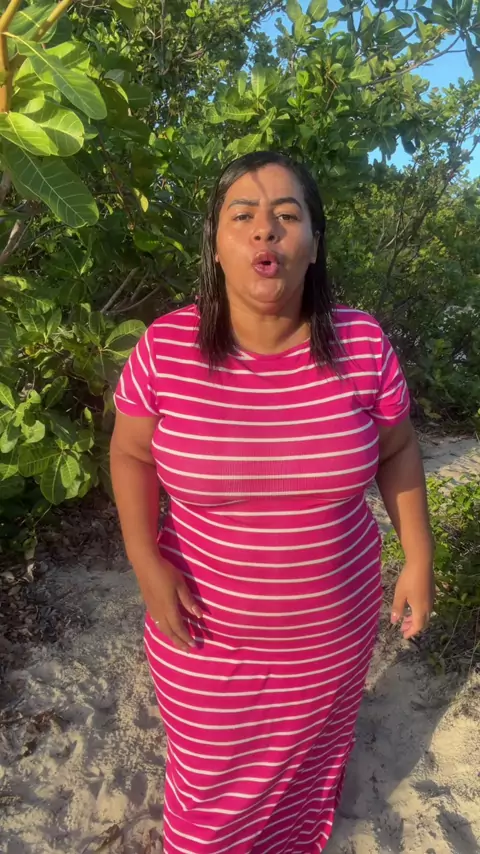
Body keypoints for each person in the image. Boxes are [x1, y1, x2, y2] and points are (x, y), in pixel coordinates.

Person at [110, 151, 434, 854]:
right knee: (209, 801)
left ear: (314, 246)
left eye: (288, 216)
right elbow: (131, 454)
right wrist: (143, 559)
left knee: (308, 771)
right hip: (207, 629)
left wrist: (419, 558)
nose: (266, 231)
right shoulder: (165, 349)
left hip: (332, 630)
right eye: (244, 216)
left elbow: (398, 449)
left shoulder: (362, 343)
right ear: (215, 243)